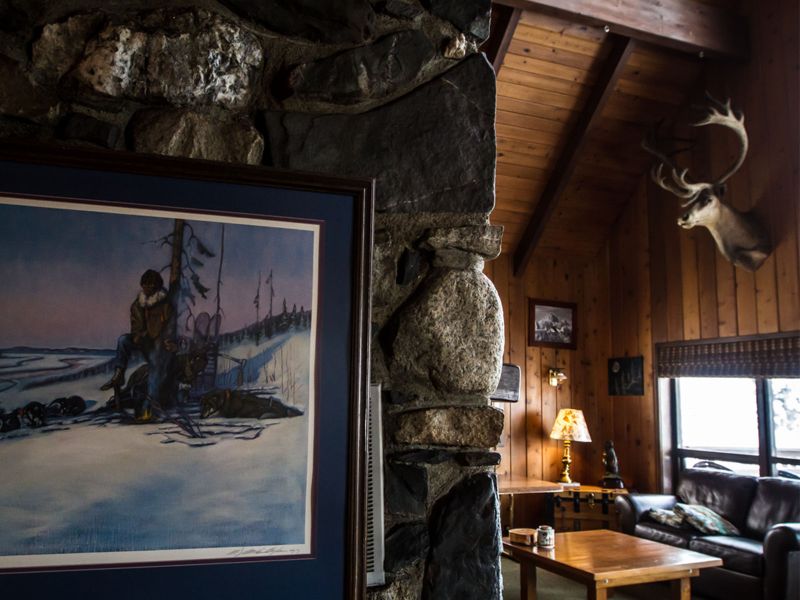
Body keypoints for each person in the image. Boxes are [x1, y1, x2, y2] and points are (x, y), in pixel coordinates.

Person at [101, 269, 177, 419]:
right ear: (142, 286)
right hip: (143, 341)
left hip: (159, 343)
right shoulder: (137, 305)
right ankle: (119, 374)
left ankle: (150, 404)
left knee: (155, 364)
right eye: (146, 285)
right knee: (123, 340)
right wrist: (138, 336)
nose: (148, 288)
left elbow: (170, 327)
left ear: (157, 286)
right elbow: (135, 325)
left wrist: (167, 342)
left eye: (151, 285)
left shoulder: (165, 304)